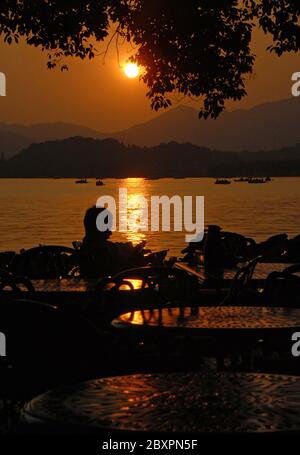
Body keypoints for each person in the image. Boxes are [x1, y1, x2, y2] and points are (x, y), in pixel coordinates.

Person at [80, 206, 146, 277]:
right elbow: (113, 271)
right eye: (108, 228)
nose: (110, 232)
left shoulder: (88, 246)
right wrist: (135, 258)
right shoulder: (98, 251)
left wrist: (135, 251)